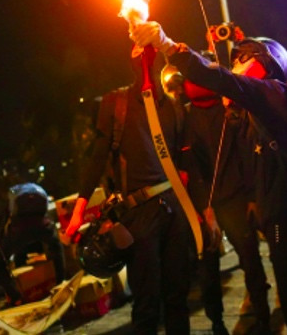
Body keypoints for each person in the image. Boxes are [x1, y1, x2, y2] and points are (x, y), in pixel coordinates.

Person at [130, 25, 287, 334]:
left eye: (239, 61)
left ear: (260, 63)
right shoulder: (269, 103)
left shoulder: (272, 93)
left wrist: (167, 44)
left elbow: (219, 79)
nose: (233, 68)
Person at [64, 50, 194, 334]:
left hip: (174, 209)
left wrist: (202, 214)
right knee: (146, 301)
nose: (147, 63)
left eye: (153, 57)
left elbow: (185, 166)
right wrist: (77, 213)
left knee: (177, 296)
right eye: (141, 57)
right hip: (138, 214)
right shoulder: (116, 103)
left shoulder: (174, 108)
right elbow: (98, 158)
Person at [181, 69, 269, 335]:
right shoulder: (183, 115)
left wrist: (252, 197)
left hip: (235, 198)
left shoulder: (230, 109)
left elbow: (245, 153)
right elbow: (186, 164)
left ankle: (263, 317)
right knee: (207, 269)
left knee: (250, 259)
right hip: (202, 202)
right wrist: (199, 207)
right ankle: (216, 322)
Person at [0, 182, 65, 305]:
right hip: (43, 226)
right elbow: (45, 211)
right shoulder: (37, 189)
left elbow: (5, 218)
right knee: (56, 247)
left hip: (19, 230)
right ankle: (60, 284)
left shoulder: (12, 194)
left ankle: (16, 297)